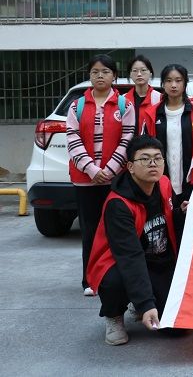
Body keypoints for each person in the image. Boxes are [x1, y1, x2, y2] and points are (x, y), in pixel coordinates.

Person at [86, 135, 178, 345]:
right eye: (145, 159)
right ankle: (114, 314)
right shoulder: (118, 204)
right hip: (122, 262)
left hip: (160, 261)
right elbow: (130, 256)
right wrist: (146, 303)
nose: (153, 164)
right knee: (114, 280)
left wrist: (183, 211)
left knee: (177, 329)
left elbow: (174, 222)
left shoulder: (164, 184)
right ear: (130, 167)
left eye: (158, 158)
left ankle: (140, 302)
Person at [66, 54, 136, 296]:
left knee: (114, 230)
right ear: (89, 75)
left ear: (114, 75)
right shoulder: (77, 106)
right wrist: (92, 170)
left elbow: (128, 139)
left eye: (105, 72)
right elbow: (72, 140)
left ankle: (112, 277)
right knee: (89, 230)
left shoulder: (124, 105)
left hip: (114, 180)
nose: (100, 76)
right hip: (85, 181)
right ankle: (89, 280)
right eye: (95, 72)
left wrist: (109, 170)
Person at [142, 64, 193, 242]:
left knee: (188, 232)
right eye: (169, 80)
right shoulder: (152, 113)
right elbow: (144, 148)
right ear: (162, 84)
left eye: (178, 80)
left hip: (190, 182)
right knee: (163, 232)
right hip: (159, 182)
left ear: (185, 83)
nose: (173, 85)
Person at [124, 55, 161, 136]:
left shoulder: (159, 98)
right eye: (135, 71)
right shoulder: (123, 100)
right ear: (130, 74)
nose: (139, 74)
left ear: (150, 73)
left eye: (143, 70)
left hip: (152, 143)